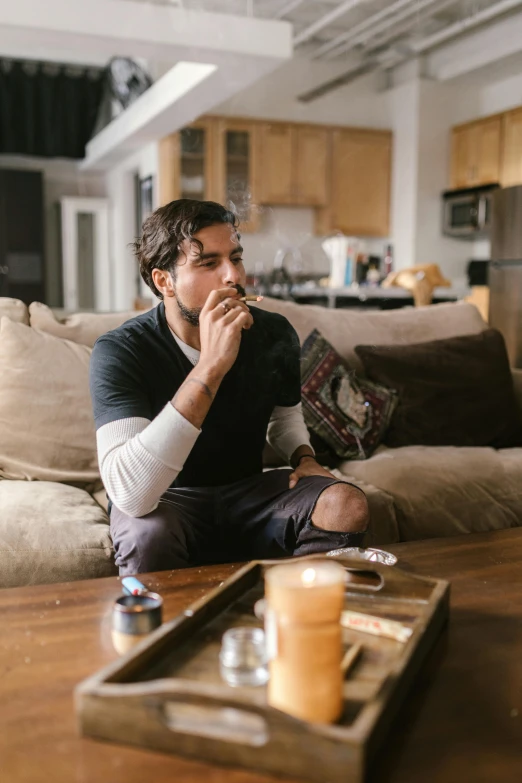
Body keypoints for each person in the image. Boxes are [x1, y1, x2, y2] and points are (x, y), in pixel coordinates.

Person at [90, 199, 369, 575]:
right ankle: (171, 633)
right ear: (164, 281)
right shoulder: (121, 350)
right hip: (167, 501)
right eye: (208, 263)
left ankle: (289, 613)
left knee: (346, 504)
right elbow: (131, 494)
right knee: (145, 536)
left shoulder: (272, 331)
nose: (232, 276)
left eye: (235, 258)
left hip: (248, 493)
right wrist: (210, 366)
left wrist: (304, 458)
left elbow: (284, 417)